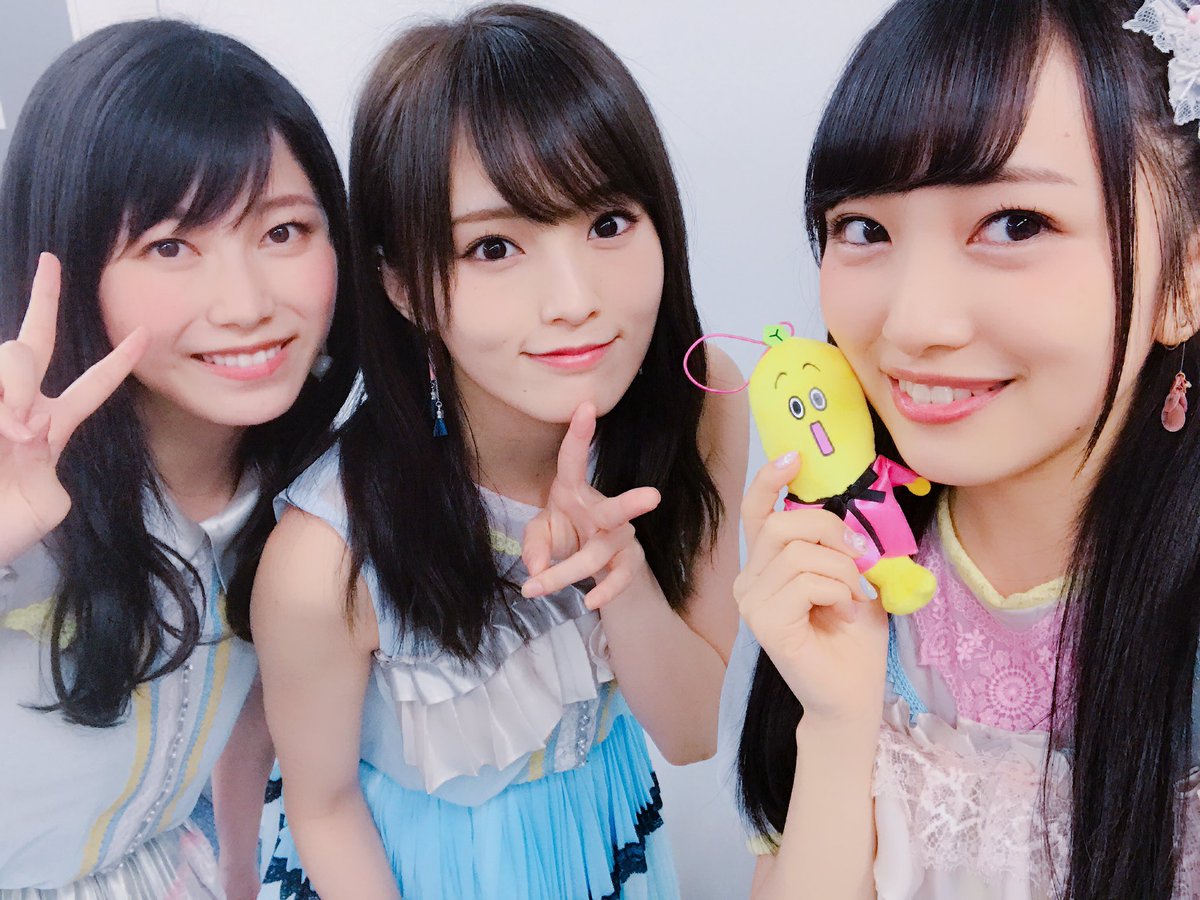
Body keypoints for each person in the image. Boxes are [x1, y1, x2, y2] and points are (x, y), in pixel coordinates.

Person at [251, 4, 748, 898]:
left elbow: (690, 733)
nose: (574, 299)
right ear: (403, 286)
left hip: (610, 843)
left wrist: (621, 574)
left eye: (608, 222)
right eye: (493, 246)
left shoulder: (702, 402)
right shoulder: (324, 558)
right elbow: (322, 808)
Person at [735, 0, 1200, 897]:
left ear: (1184, 280)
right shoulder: (842, 571)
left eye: (1015, 223)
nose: (913, 322)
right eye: (863, 229)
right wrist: (836, 722)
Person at [0, 19, 355, 898]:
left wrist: (237, 871)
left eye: (283, 232)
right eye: (170, 246)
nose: (246, 304)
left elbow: (252, 706)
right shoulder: (21, 484)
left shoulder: (301, 492)